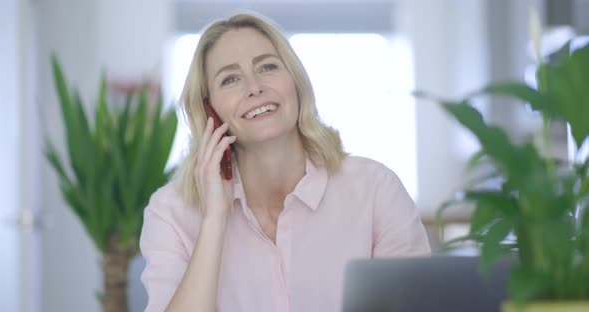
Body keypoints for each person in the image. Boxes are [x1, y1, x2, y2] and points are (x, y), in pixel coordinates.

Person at [139, 11, 430, 312]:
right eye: (230, 79)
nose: (254, 87)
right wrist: (214, 219)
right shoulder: (170, 213)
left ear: (295, 82)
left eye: (267, 66)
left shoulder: (376, 190)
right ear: (209, 111)